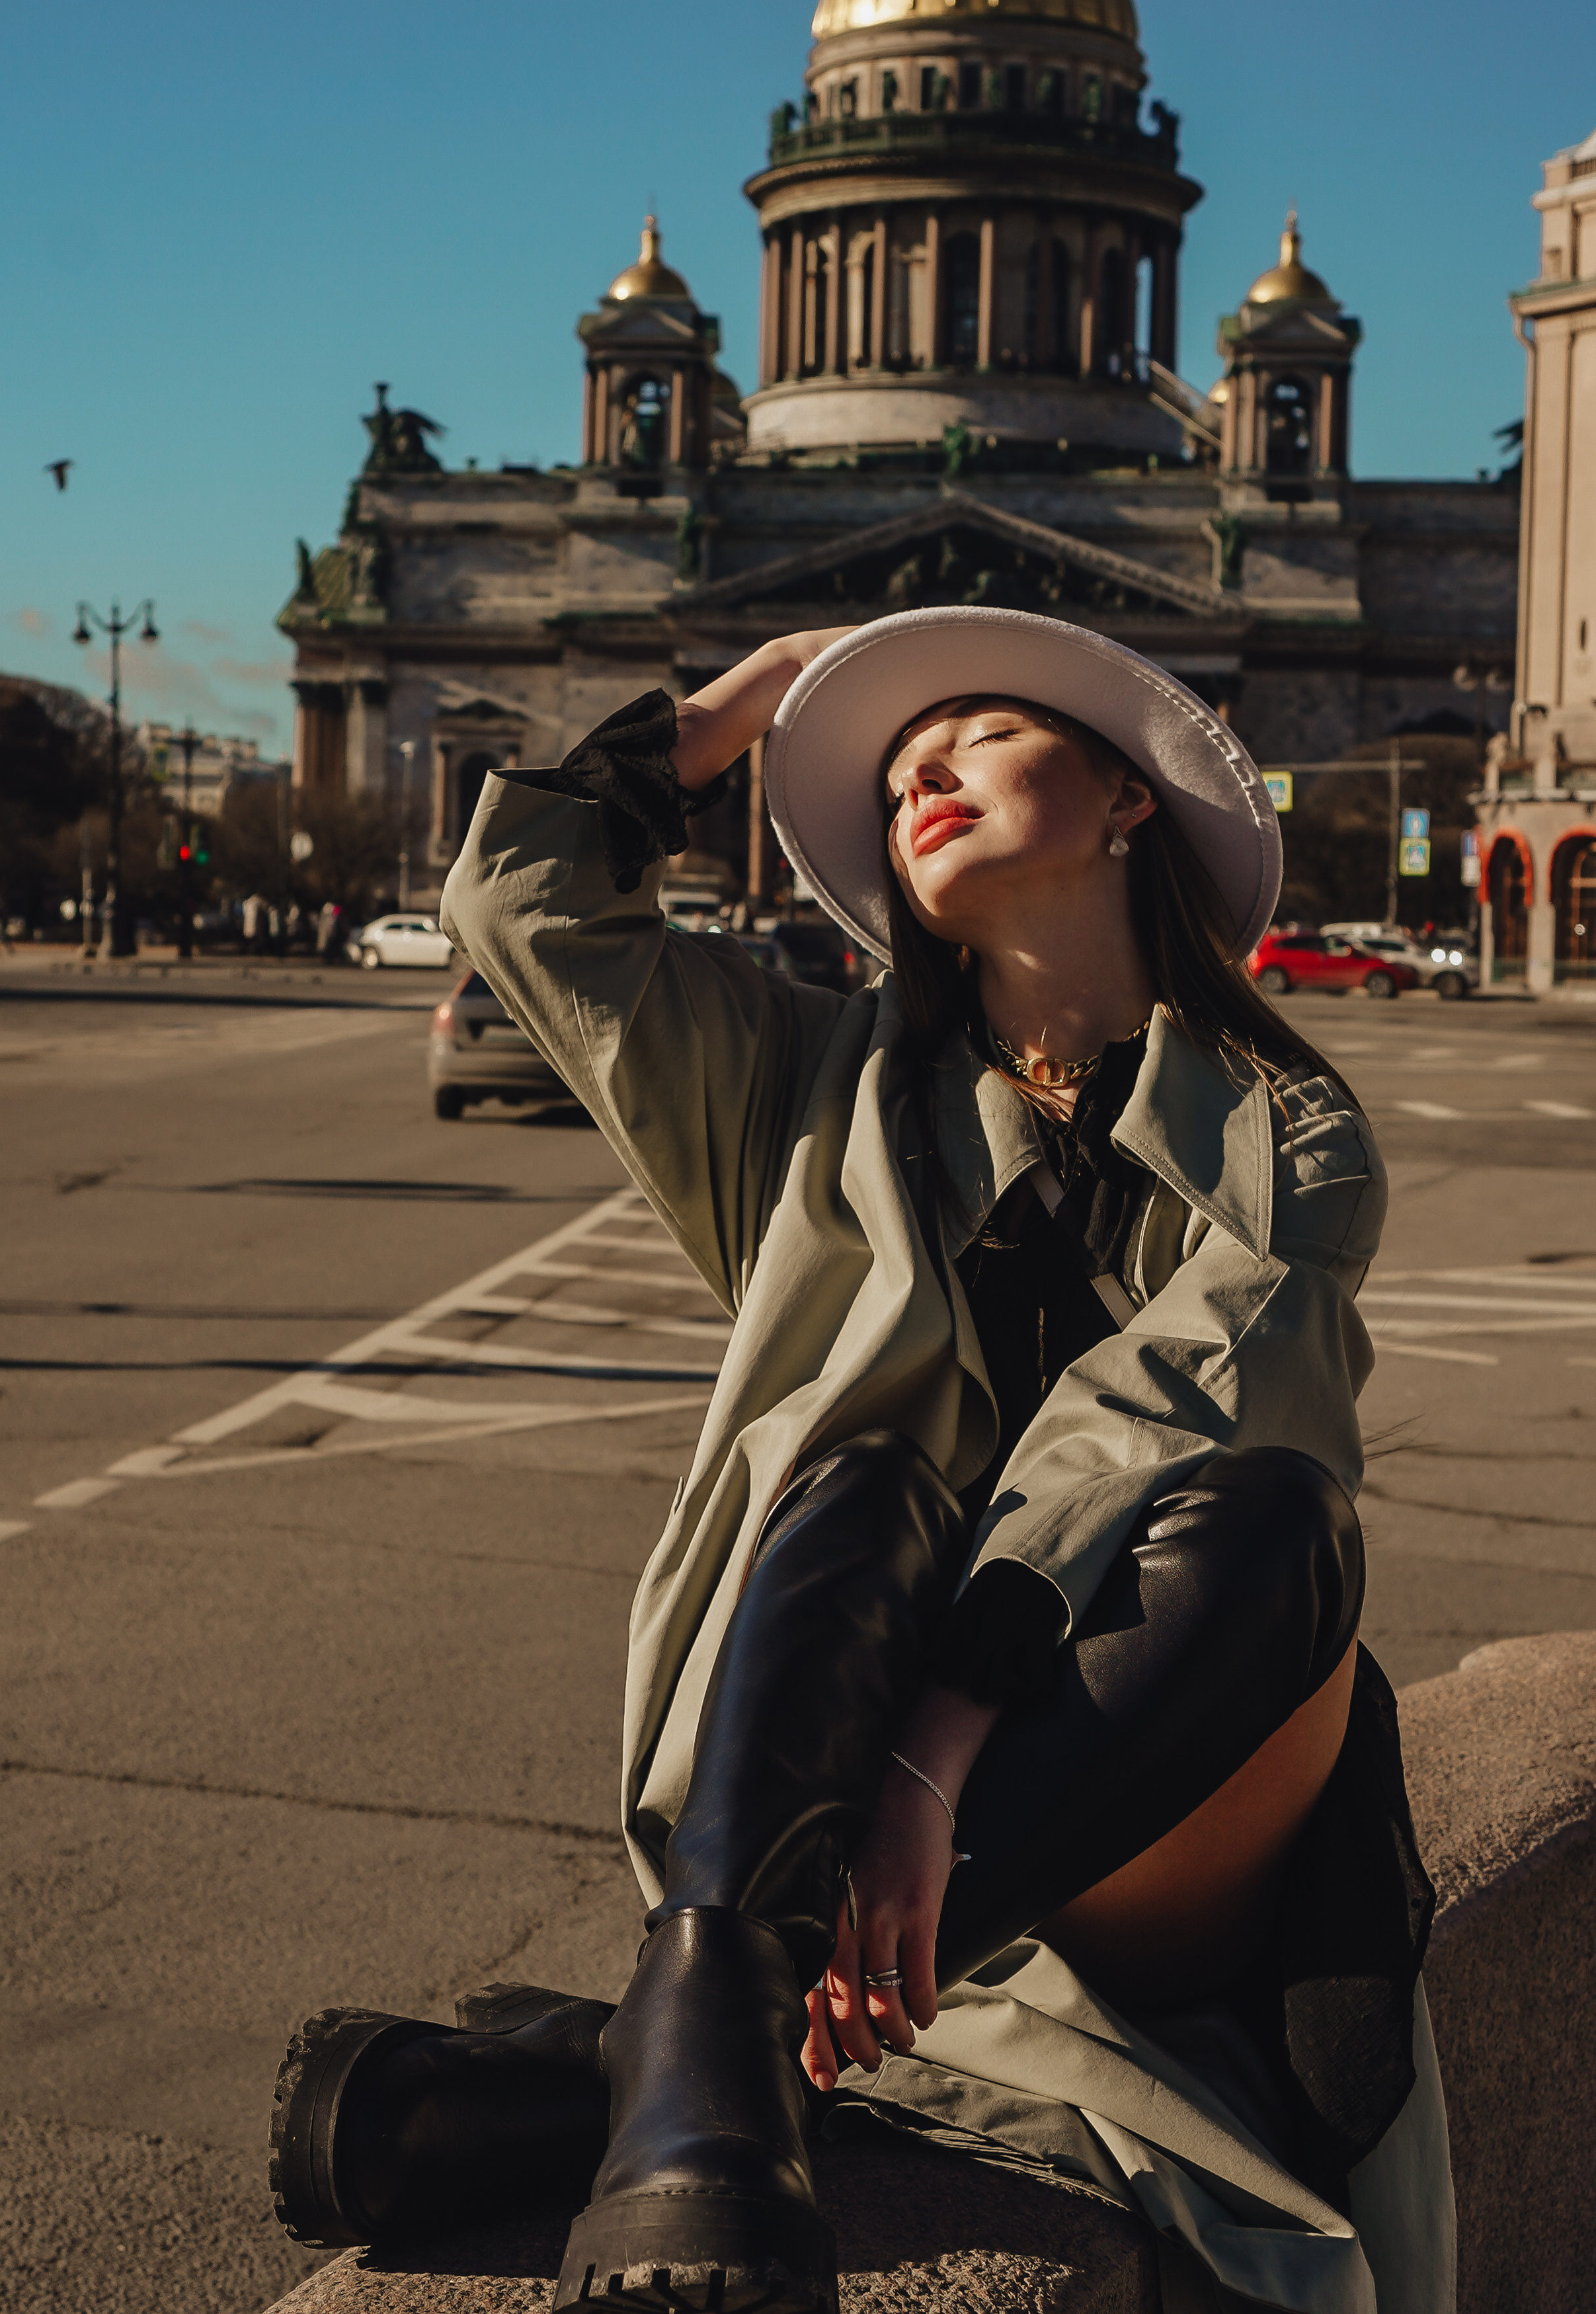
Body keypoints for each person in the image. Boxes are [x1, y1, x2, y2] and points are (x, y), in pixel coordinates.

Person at [268, 609, 1453, 2314]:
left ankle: (678, 2049)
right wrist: (749, 701)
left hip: (1146, 1781)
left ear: (1129, 793)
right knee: (855, 1481)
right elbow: (519, 907)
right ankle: (707, 2080)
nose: (919, 771)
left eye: (973, 732)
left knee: (1274, 1523)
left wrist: (937, 1758)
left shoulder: (1290, 1127)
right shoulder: (813, 1097)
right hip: (836, 1782)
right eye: (894, 769)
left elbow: (1163, 1419)